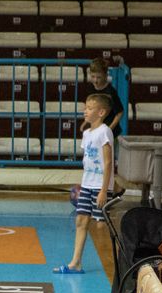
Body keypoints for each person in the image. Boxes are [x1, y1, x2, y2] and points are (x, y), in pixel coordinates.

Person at [55, 92, 113, 275]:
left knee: (101, 225)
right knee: (81, 221)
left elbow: (108, 162)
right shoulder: (87, 133)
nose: (85, 111)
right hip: (87, 185)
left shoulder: (105, 131)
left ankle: (116, 259)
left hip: (100, 186)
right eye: (85, 108)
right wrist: (83, 183)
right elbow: (88, 160)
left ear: (101, 112)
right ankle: (75, 263)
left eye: (89, 108)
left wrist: (104, 190)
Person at [88, 57, 124, 137]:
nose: (95, 80)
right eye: (93, 76)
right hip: (96, 132)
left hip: (110, 134)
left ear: (105, 75)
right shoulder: (90, 89)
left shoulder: (111, 92)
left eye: (99, 77)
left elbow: (120, 112)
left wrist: (109, 129)